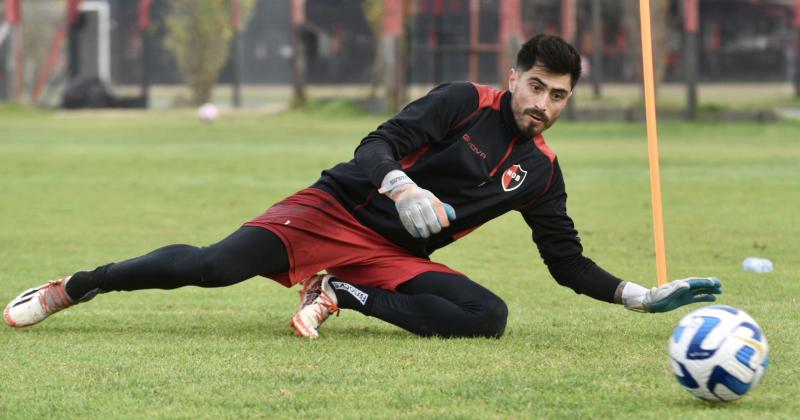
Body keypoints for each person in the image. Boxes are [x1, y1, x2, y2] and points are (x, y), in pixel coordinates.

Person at [4, 34, 722, 338]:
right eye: (536, 86)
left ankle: (343, 295)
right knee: (212, 266)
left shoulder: (540, 172)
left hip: (387, 259)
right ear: (513, 77)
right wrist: (403, 188)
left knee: (488, 316)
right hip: (334, 209)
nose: (543, 104)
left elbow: (566, 263)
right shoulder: (462, 100)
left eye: (559, 95)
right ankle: (75, 287)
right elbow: (375, 144)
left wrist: (640, 295)